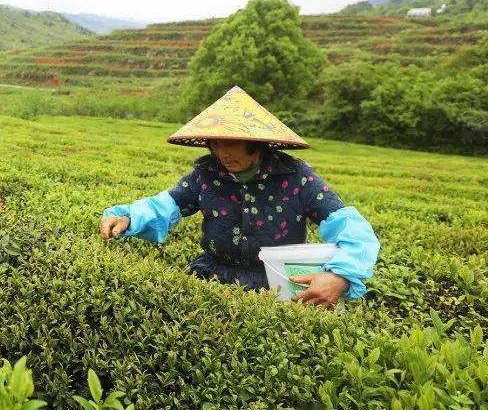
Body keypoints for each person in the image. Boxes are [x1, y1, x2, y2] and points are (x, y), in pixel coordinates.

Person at [99, 86, 378, 309]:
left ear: (256, 143)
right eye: (215, 143)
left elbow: (348, 225)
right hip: (212, 274)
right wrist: (129, 217)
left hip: (274, 282)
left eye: (230, 142)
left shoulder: (296, 177)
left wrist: (340, 275)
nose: (222, 153)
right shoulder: (206, 173)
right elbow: (169, 203)